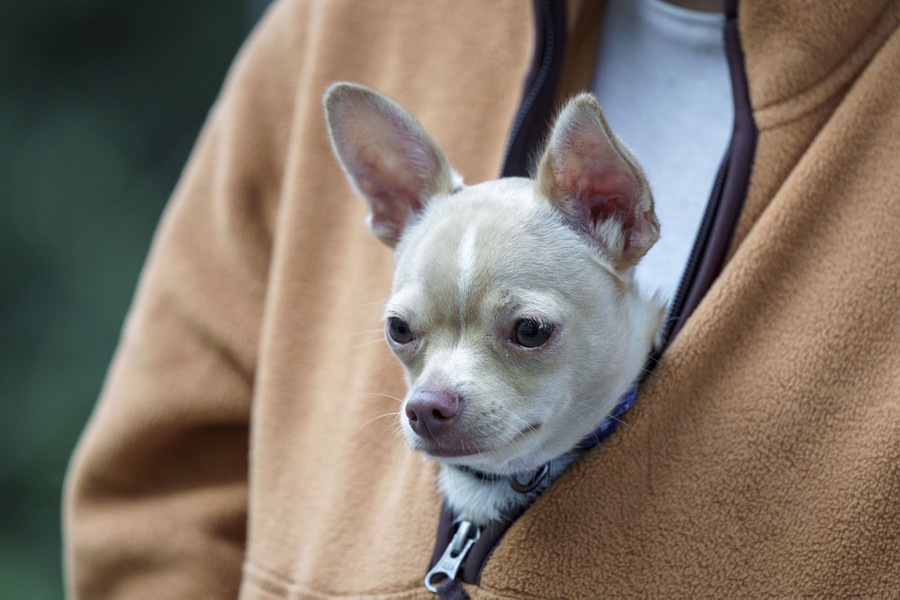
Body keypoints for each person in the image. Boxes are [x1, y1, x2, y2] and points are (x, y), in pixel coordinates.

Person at [64, 0, 900, 597]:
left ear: (617, 210)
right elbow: (156, 498)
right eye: (405, 335)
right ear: (388, 207)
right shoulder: (341, 20)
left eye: (527, 333)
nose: (434, 392)